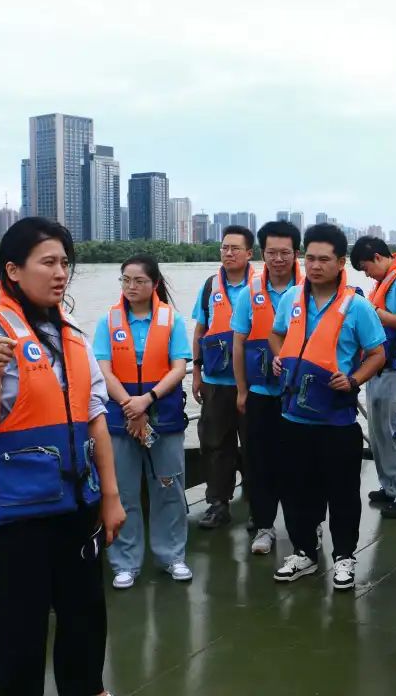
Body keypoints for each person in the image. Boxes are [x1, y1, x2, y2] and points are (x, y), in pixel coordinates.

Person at [0, 217, 126, 695]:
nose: (60, 273)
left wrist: (111, 497)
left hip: (76, 509)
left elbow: (95, 419)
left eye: (65, 263)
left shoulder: (72, 336)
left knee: (85, 623)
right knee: (18, 639)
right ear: (13, 270)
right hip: (15, 519)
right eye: (48, 262)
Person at [269, 224, 387, 590]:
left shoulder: (358, 307)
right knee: (295, 489)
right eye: (310, 258)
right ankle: (303, 551)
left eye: (324, 259)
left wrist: (353, 380)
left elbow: (377, 354)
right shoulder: (291, 299)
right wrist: (279, 358)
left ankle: (344, 556)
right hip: (292, 415)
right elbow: (276, 333)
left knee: (342, 492)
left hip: (336, 419)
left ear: (340, 263)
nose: (315, 266)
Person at [94, 255, 193, 588]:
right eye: (126, 279)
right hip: (121, 419)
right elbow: (103, 370)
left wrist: (146, 400)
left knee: (169, 487)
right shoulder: (107, 322)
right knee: (123, 491)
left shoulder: (172, 321)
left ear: (154, 284)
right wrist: (129, 405)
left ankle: (172, 556)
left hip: (162, 415)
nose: (131, 286)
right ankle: (125, 562)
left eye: (139, 280)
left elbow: (178, 368)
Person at [233, 220, 302, 556]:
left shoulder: (309, 291)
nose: (278, 259)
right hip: (261, 393)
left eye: (284, 253)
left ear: (296, 254)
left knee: (300, 461)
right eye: (272, 252)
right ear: (262, 254)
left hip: (300, 396)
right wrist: (241, 390)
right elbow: (238, 343)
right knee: (259, 462)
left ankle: (307, 524)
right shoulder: (249, 293)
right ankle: (264, 526)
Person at [351, 236, 396, 518]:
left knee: (394, 432)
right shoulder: (385, 282)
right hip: (379, 367)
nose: (367, 274)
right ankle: (390, 486)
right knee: (379, 432)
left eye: (366, 267)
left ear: (378, 258)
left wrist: (373, 311)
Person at [192, 225, 255, 529]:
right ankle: (218, 504)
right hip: (217, 382)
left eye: (235, 248)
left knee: (256, 445)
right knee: (215, 444)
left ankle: (259, 505)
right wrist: (196, 372)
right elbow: (200, 330)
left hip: (254, 384)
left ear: (249, 253)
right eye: (224, 248)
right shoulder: (209, 286)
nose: (228, 253)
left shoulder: (261, 286)